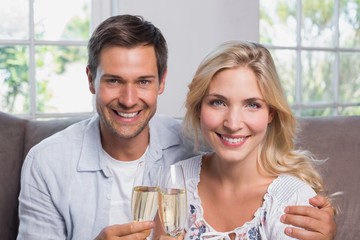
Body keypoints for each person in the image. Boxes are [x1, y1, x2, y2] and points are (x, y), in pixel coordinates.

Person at [17, 15, 336, 240]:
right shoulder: (47, 163)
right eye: (114, 81)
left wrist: (324, 224)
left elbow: (255, 156)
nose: (129, 100)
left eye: (143, 81)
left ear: (162, 82)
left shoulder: (193, 143)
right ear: (91, 80)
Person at [163, 40, 336, 239]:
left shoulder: (292, 200)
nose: (233, 123)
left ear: (270, 113)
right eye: (218, 102)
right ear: (199, 108)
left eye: (252, 105)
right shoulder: (178, 180)